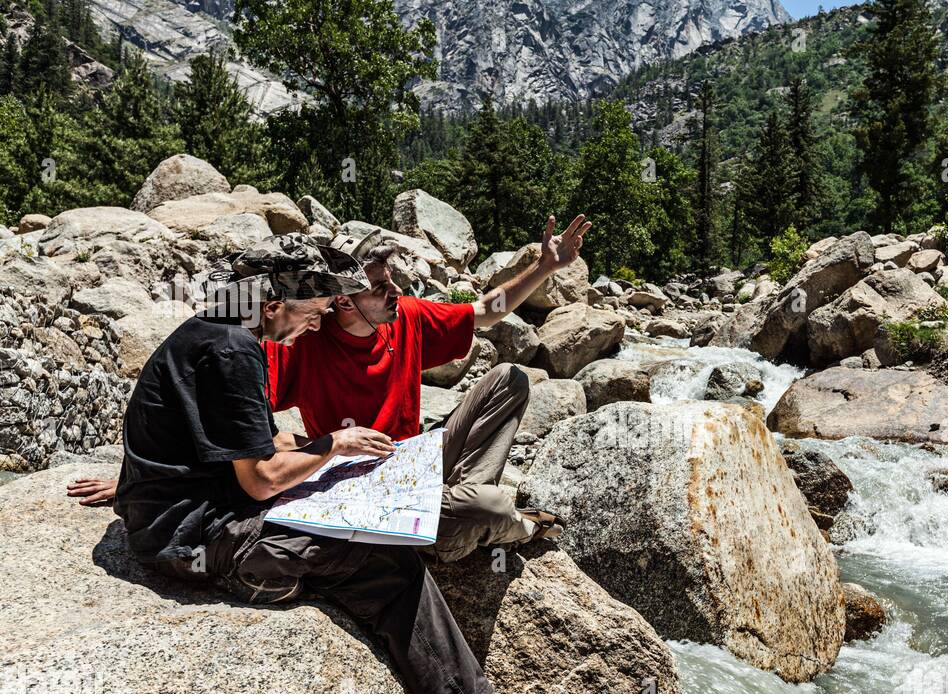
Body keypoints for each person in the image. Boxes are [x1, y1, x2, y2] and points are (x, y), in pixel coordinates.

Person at [110, 234, 567, 694]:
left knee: (372, 535)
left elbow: (215, 444)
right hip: (199, 537)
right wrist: (334, 444)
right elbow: (258, 482)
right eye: (313, 310)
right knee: (387, 563)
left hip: (187, 516)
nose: (317, 320)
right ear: (274, 304)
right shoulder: (236, 351)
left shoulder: (215, 329)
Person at [69, 215, 592, 566]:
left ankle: (452, 502)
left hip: (408, 455)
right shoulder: (296, 341)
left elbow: (486, 312)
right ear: (341, 304)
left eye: (393, 282)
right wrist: (143, 479)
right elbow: (217, 417)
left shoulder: (405, 318)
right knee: (491, 509)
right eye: (381, 287)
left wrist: (545, 267)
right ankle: (505, 523)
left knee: (510, 381)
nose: (398, 293)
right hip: (354, 483)